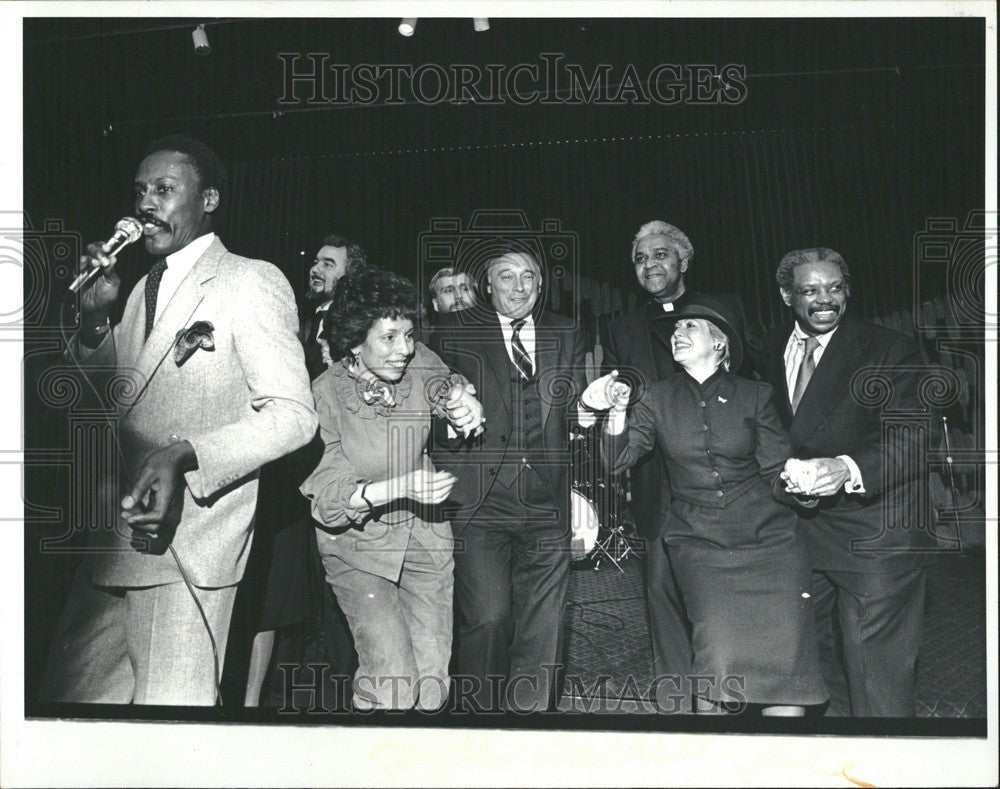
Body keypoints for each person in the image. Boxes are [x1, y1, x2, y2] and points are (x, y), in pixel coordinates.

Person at [39, 134, 317, 705]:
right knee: (73, 710)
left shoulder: (251, 280)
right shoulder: (141, 286)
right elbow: (105, 406)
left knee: (173, 727)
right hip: (112, 543)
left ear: (208, 199)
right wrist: (95, 323)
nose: (146, 203)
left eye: (164, 190)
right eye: (140, 190)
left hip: (190, 549)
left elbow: (293, 416)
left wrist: (184, 453)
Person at [589, 297, 827, 715]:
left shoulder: (755, 394)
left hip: (772, 546)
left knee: (786, 676)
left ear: (720, 344)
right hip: (700, 545)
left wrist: (802, 487)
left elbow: (776, 471)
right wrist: (618, 413)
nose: (677, 334)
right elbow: (616, 460)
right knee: (716, 664)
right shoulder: (656, 398)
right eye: (675, 331)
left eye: (691, 328)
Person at [300, 268, 484, 710]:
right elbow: (327, 498)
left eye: (408, 334)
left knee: (433, 685)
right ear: (355, 343)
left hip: (424, 539)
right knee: (394, 684)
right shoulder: (324, 395)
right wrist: (403, 487)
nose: (404, 348)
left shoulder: (415, 358)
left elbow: (442, 381)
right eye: (389, 338)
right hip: (357, 549)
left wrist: (463, 401)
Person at [761, 247, 932, 717]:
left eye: (835, 288)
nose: (825, 300)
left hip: (877, 536)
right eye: (810, 290)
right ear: (785, 295)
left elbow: (914, 436)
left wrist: (846, 469)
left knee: (877, 682)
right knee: (815, 671)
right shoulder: (770, 346)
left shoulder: (889, 347)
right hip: (803, 534)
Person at [429, 249, 588, 713]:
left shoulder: (566, 330)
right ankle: (479, 723)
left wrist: (596, 407)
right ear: (488, 286)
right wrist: (453, 419)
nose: (519, 287)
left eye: (528, 277)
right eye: (506, 277)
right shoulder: (453, 332)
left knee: (544, 626)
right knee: (488, 617)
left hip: (546, 502)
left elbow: (572, 409)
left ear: (540, 285)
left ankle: (529, 725)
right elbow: (430, 413)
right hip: (480, 501)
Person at [602, 220, 750, 701]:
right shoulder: (623, 326)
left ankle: (726, 691)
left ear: (684, 260)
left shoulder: (727, 310)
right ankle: (674, 700)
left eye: (661, 254)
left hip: (719, 478)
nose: (651, 265)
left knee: (720, 590)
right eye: (641, 259)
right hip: (655, 482)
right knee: (661, 589)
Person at [239, 233, 367, 706]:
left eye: (328, 263)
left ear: (350, 273)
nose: (316, 269)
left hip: (335, 469)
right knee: (282, 588)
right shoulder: (298, 318)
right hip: (287, 470)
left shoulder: (356, 325)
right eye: (315, 261)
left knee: (337, 592)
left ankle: (344, 699)